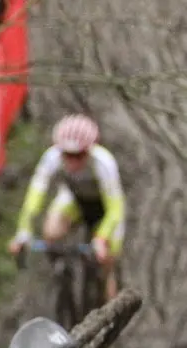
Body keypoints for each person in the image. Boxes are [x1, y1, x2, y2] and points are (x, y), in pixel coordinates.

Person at [7, 114, 124, 305]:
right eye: (67, 155)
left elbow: (116, 209)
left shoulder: (104, 163)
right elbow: (34, 197)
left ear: (89, 149)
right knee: (50, 232)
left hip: (105, 209)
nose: (72, 162)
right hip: (75, 201)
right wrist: (23, 232)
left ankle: (111, 309)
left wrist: (102, 238)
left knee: (107, 262)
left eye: (78, 156)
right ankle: (62, 273)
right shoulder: (51, 158)